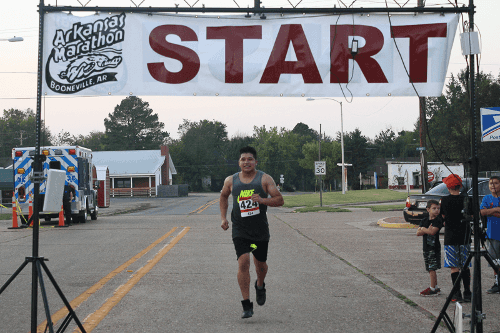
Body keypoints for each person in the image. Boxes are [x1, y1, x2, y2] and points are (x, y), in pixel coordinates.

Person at [219, 146, 284, 319]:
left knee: (260, 265)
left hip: (259, 233)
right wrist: (223, 218)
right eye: (243, 159)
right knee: (243, 262)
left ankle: (260, 285)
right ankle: (246, 304)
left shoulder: (264, 179)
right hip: (240, 231)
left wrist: (262, 200)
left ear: (255, 162)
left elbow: (280, 200)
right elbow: (223, 196)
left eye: (249, 159)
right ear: (239, 162)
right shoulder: (231, 181)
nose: (246, 162)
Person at [440, 174, 472, 303]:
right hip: (464, 235)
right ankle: (467, 291)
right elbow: (472, 215)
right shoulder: (466, 199)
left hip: (451, 236)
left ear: (448, 187)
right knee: (465, 264)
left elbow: (443, 217)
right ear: (460, 186)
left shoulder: (445, 200)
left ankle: (456, 292)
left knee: (454, 266)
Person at [417, 199, 444, 297]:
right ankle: (435, 287)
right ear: (428, 209)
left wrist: (424, 229)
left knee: (432, 268)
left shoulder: (438, 220)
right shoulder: (424, 220)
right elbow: (418, 233)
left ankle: (432, 288)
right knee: (429, 268)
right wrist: (426, 230)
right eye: (434, 208)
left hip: (434, 248)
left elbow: (432, 232)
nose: (437, 210)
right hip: (426, 247)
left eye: (438, 208)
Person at [480, 175, 500, 294]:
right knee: (495, 260)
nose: (493, 186)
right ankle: (497, 282)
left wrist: (490, 211)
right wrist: (496, 209)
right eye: (491, 183)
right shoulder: (487, 198)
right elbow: (482, 212)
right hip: (492, 233)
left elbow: (487, 211)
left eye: (496, 183)